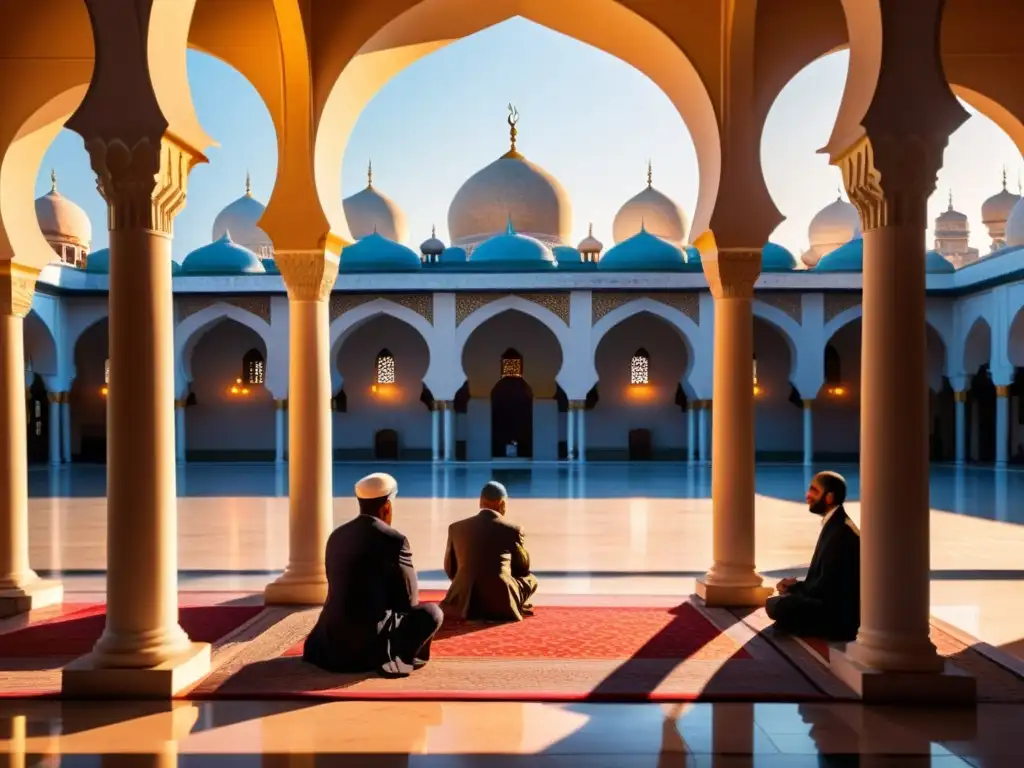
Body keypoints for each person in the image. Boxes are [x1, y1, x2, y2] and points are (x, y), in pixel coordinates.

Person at [302, 472, 443, 677]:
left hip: (327, 648)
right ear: (387, 506)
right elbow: (408, 602)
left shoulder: (336, 536)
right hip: (367, 652)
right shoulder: (395, 540)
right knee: (432, 612)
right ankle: (402, 661)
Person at [765, 470, 860, 642]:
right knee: (779, 602)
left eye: (814, 491)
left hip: (838, 613)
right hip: (830, 601)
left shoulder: (841, 533)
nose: (808, 495)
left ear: (829, 497)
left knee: (777, 605)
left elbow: (828, 588)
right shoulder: (836, 524)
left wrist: (795, 590)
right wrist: (795, 588)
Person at [440, 480, 538, 621]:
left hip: (464, 594)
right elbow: (521, 569)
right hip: (500, 598)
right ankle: (512, 603)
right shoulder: (513, 529)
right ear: (502, 503)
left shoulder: (455, 528)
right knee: (531, 580)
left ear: (480, 501)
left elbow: (450, 568)